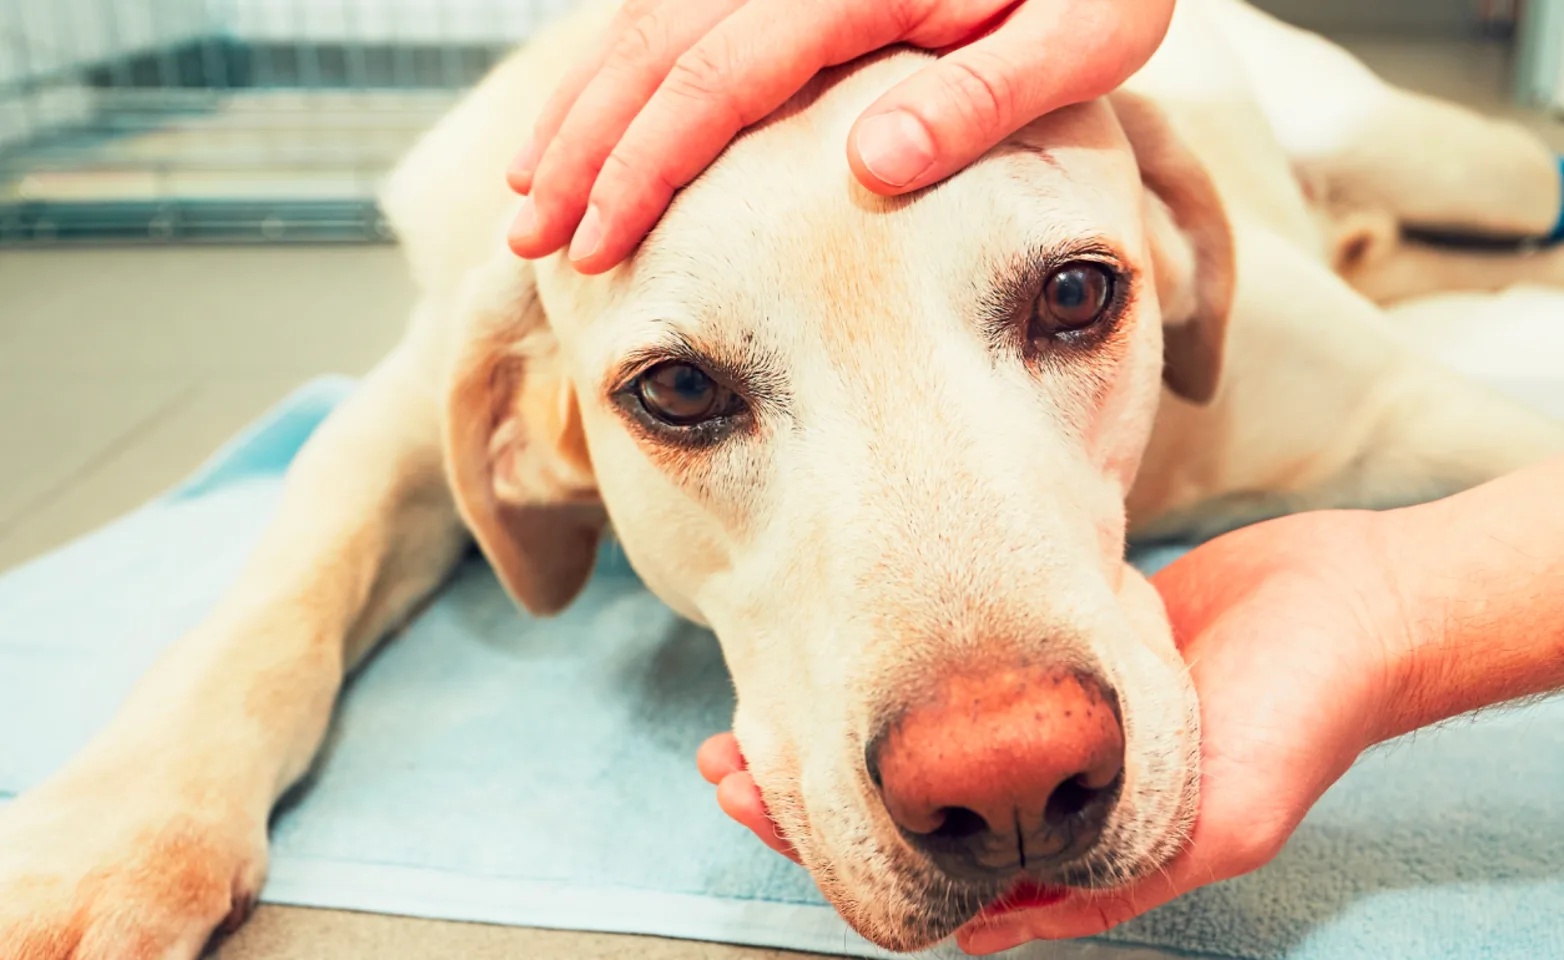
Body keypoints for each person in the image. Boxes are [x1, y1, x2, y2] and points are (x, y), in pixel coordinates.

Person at [506, 2, 1564, 953]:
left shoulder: (1197, 276)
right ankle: (1359, 252)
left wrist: (1400, 612)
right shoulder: (537, 293)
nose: (996, 759)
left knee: (1511, 185)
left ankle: (1408, 227)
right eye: (688, 393)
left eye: (1068, 300)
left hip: (1239, 91)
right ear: (545, 442)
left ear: (1179, 261)